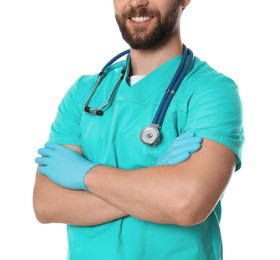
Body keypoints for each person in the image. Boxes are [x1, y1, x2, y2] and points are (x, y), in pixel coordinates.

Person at [33, 0, 244, 259]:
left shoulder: (211, 92)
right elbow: (46, 204)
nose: (136, 2)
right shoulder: (85, 94)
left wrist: (84, 174)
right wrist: (155, 185)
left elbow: (186, 204)